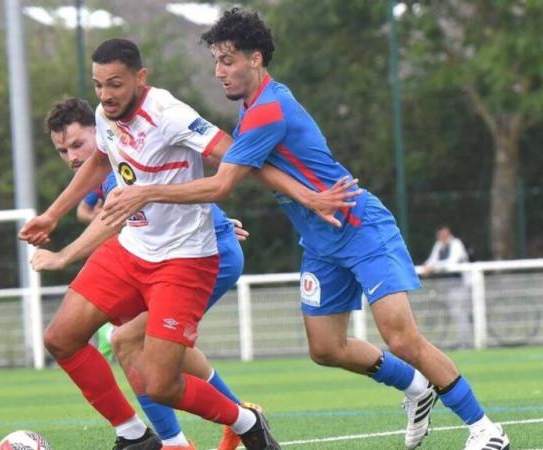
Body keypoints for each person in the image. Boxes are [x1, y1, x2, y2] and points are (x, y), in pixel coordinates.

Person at [101, 9, 510, 450]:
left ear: (255, 59)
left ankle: (486, 429)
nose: (219, 72)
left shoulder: (267, 111)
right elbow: (253, 174)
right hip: (320, 241)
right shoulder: (253, 112)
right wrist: (300, 199)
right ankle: (415, 388)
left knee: (402, 337)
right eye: (216, 61)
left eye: (228, 60)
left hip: (358, 227)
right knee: (326, 348)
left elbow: (223, 184)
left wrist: (146, 193)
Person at [19, 38, 355, 449]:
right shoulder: (105, 117)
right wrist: (53, 214)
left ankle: (245, 421)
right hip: (132, 250)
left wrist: (306, 195)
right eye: (98, 85)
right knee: (62, 338)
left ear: (140, 78)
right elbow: (101, 159)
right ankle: (134, 436)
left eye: (115, 84)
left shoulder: (170, 114)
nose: (105, 96)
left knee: (160, 382)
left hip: (184, 262)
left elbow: (238, 157)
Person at [30, 96, 254, 450]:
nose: (72, 156)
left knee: (127, 341)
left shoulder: (119, 154)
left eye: (77, 144)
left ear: (98, 132)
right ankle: (236, 419)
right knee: (149, 347)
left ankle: (179, 440)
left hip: (204, 256)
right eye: (62, 150)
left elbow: (115, 219)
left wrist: (62, 256)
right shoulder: (106, 170)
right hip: (168, 256)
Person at [423, 225, 472, 348]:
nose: (442, 237)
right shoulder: (439, 246)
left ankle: (465, 342)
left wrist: (433, 267)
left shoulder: (456, 244)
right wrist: (427, 266)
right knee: (448, 310)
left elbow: (452, 262)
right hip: (446, 286)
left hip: (460, 285)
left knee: (460, 313)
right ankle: (457, 341)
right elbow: (431, 261)